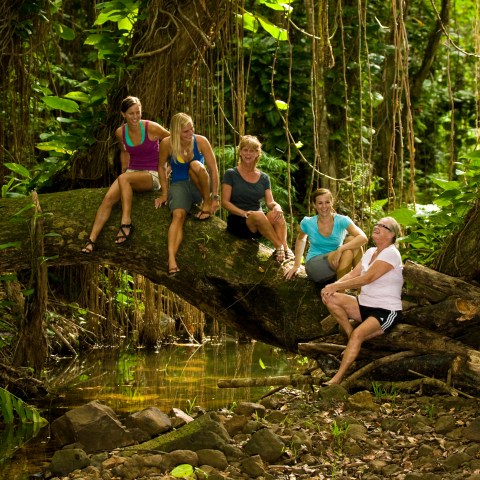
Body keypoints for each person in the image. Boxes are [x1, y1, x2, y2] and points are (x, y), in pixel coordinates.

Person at [320, 217, 403, 385]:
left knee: (359, 335)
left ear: (391, 234)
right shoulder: (370, 251)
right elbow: (353, 274)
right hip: (363, 305)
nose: (377, 226)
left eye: (383, 226)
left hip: (386, 311)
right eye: (377, 224)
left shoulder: (391, 253)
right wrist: (332, 286)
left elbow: (368, 278)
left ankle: (337, 378)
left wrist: (335, 287)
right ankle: (350, 334)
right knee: (330, 298)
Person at [81, 96, 169, 253]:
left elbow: (173, 140)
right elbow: (124, 152)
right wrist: (124, 171)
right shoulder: (120, 133)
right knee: (108, 199)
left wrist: (168, 167)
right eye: (131, 113)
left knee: (124, 179)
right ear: (123, 115)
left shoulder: (151, 127)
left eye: (138, 112)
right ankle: (92, 240)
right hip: (131, 173)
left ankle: (126, 223)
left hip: (153, 174)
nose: (135, 117)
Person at [155, 113, 220, 276]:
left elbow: (213, 169)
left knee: (196, 165)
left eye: (192, 129)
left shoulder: (201, 141)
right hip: (179, 185)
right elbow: (161, 167)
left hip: (201, 184)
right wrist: (164, 193)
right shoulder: (167, 144)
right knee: (178, 216)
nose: (190, 133)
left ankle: (205, 204)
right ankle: (171, 259)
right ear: (176, 132)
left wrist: (214, 197)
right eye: (186, 131)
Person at [221, 135, 293, 263]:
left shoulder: (264, 178)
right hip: (238, 221)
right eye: (245, 150)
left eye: (252, 150)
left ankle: (284, 248)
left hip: (259, 224)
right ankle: (279, 245)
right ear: (240, 152)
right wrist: (243, 213)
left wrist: (277, 206)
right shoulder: (231, 174)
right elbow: (225, 202)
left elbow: (270, 202)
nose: (248, 154)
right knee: (258, 215)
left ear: (257, 154)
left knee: (277, 215)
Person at [284, 188, 368, 282]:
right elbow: (301, 239)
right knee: (347, 252)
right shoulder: (308, 222)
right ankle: (340, 292)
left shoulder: (342, 220)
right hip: (315, 265)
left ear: (332, 202)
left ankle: (360, 287)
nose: (324, 206)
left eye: (327, 202)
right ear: (314, 205)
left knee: (353, 240)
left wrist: (341, 249)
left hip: (337, 262)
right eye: (320, 203)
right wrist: (296, 265)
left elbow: (363, 238)